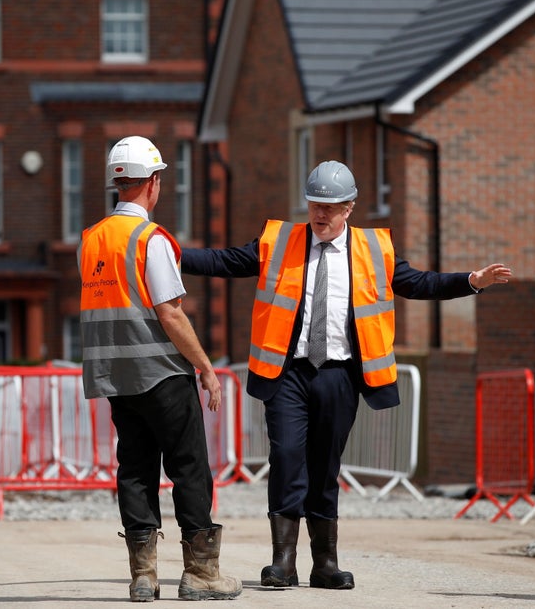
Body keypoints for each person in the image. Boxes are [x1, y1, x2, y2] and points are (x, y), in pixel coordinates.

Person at [180, 160, 512, 591]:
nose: (321, 214)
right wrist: (167, 250)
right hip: (288, 374)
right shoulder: (279, 241)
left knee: (325, 466)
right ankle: (282, 562)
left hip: (340, 376)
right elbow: (223, 261)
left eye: (331, 207)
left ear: (349, 208)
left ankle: (325, 564)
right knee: (285, 457)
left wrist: (471, 281)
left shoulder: (375, 249)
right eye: (315, 204)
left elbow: (419, 283)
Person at [77, 136, 242, 602]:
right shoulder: (152, 240)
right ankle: (201, 575)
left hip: (116, 377)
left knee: (135, 469)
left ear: (116, 182)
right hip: (163, 374)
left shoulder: (90, 241)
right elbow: (170, 313)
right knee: (189, 467)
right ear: (153, 183)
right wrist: (206, 367)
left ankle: (143, 576)